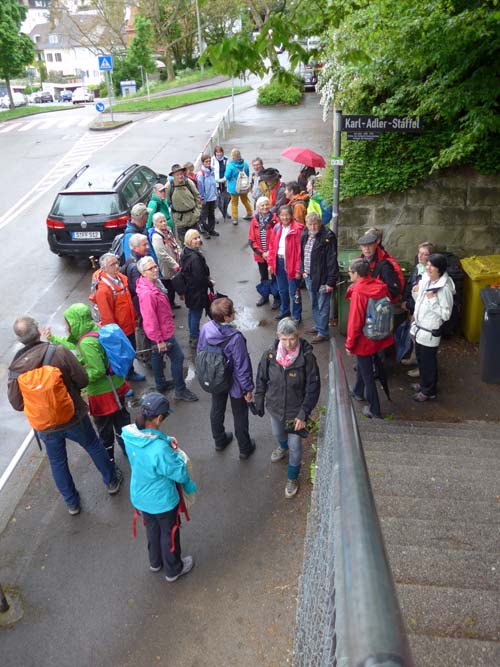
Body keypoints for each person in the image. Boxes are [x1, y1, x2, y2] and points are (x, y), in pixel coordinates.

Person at [8, 316, 122, 515]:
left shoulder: (16, 368)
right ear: (37, 331)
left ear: (20, 340)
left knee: (57, 461)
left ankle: (72, 503)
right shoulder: (58, 352)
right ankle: (112, 481)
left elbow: (17, 404)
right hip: (73, 416)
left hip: (45, 425)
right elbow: (82, 379)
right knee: (93, 446)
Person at [122, 392, 197, 582]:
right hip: (162, 500)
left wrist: (165, 438)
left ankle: (155, 562)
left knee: (152, 529)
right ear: (158, 418)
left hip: (140, 496)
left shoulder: (129, 434)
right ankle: (173, 569)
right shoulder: (159, 449)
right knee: (169, 533)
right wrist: (189, 485)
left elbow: (148, 437)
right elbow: (178, 472)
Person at [44, 303, 132, 464]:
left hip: (103, 393)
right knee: (122, 422)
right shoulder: (93, 329)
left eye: (68, 323)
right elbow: (75, 345)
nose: (66, 327)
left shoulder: (86, 343)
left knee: (105, 429)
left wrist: (76, 379)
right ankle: (130, 451)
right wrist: (54, 339)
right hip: (116, 385)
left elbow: (97, 370)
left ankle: (109, 459)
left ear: (76, 322)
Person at [254, 318, 320, 498]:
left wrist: (303, 414)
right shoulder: (270, 355)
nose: (289, 344)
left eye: (292, 338)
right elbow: (261, 378)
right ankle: (282, 448)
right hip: (275, 408)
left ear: (298, 335)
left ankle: (292, 477)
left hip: (295, 413)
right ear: (278, 336)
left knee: (295, 446)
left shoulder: (307, 358)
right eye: (284, 339)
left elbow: (313, 388)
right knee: (278, 434)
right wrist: (259, 398)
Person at [197, 298, 256, 459]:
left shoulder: (206, 328)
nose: (234, 313)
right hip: (235, 382)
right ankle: (244, 448)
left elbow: (200, 351)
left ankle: (219, 440)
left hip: (216, 377)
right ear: (227, 317)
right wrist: (247, 388)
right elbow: (241, 366)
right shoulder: (235, 338)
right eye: (232, 311)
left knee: (217, 408)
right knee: (239, 414)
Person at [136, 255, 198, 402]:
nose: (155, 270)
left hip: (161, 330)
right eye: (150, 269)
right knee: (178, 358)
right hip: (162, 333)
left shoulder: (153, 283)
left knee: (157, 356)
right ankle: (180, 390)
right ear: (143, 273)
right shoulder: (148, 294)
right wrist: (159, 340)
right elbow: (150, 319)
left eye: (155, 266)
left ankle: (161, 384)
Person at [344, 258, 394, 419]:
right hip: (378, 335)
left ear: (356, 274)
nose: (349, 274)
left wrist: (349, 344)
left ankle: (375, 409)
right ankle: (358, 391)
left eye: (350, 272)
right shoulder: (379, 286)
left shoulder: (359, 292)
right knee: (363, 365)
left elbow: (355, 322)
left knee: (367, 374)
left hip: (364, 340)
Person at [410, 253, 455, 402]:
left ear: (440, 269)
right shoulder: (427, 281)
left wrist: (433, 300)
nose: (428, 267)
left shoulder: (444, 289)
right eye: (427, 264)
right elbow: (421, 302)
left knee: (428, 363)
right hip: (420, 328)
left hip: (430, 332)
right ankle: (424, 384)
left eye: (432, 265)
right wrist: (416, 291)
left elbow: (446, 314)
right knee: (421, 360)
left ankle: (428, 391)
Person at [94, 252, 145, 383]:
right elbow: (107, 316)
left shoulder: (120, 279)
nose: (117, 266)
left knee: (130, 350)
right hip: (120, 330)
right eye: (112, 265)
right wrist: (115, 335)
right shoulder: (103, 290)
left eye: (117, 263)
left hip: (128, 325)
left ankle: (129, 373)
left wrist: (134, 317)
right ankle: (124, 379)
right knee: (122, 355)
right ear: (104, 268)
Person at [301, 212, 339, 343]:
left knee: (323, 306)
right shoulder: (305, 234)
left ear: (320, 223)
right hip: (309, 277)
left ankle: (323, 332)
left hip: (323, 278)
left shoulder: (328, 236)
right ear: (306, 224)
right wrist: (303, 270)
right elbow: (303, 254)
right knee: (314, 304)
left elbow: (332, 260)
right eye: (310, 224)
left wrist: (330, 282)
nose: (312, 227)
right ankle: (318, 326)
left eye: (315, 224)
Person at [400, 242, 435, 373]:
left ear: (431, 257)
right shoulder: (418, 267)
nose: (420, 256)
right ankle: (414, 358)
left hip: (423, 312)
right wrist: (405, 300)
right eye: (419, 253)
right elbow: (410, 285)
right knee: (414, 336)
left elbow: (422, 296)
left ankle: (421, 368)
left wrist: (409, 304)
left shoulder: (430, 273)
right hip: (414, 308)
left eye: (425, 254)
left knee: (421, 341)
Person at [268, 205, 304, 323]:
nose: (285, 217)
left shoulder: (298, 229)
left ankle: (296, 315)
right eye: (282, 215)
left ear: (291, 215)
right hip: (278, 261)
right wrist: (270, 264)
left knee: (294, 292)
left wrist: (298, 269)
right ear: (278, 216)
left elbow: (301, 252)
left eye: (287, 215)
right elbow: (272, 246)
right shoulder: (277, 227)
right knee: (282, 290)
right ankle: (285, 311)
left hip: (292, 264)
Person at [179, 228, 212, 348]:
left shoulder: (185, 252)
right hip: (196, 291)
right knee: (196, 314)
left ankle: (193, 335)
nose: (198, 240)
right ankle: (194, 338)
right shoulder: (195, 258)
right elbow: (200, 277)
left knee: (192, 313)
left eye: (198, 237)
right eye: (194, 238)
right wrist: (209, 282)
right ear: (189, 240)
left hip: (190, 290)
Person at [124, 233, 152, 368]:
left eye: (147, 244)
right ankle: (145, 355)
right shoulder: (136, 266)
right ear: (135, 248)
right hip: (140, 302)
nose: (147, 247)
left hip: (138, 301)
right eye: (144, 245)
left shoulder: (134, 259)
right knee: (143, 327)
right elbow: (138, 288)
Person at [247, 196, 280, 308]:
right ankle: (265, 296)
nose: (265, 207)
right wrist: (262, 253)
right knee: (263, 276)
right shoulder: (254, 220)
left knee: (275, 276)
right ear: (258, 207)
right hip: (261, 256)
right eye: (262, 205)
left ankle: (277, 297)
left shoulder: (275, 219)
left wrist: (270, 253)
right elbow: (251, 240)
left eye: (267, 204)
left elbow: (278, 237)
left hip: (273, 255)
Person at [357, 228, 404, 303]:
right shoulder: (359, 261)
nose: (366, 248)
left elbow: (395, 289)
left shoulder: (387, 263)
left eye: (370, 243)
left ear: (377, 242)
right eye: (364, 245)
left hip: (378, 302)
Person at [148, 212, 182, 308]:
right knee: (168, 287)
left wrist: (180, 252)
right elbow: (161, 254)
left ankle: (172, 303)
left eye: (164, 220)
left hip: (173, 261)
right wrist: (174, 265)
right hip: (166, 266)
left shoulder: (168, 231)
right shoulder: (157, 237)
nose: (163, 223)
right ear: (155, 224)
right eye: (160, 222)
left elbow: (175, 243)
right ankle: (168, 306)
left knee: (172, 285)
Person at [165, 164, 201, 245]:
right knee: (184, 241)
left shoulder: (189, 182)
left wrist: (198, 211)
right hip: (180, 220)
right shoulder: (169, 187)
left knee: (195, 238)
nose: (180, 176)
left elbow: (197, 196)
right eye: (177, 174)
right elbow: (168, 202)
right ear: (173, 176)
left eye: (181, 174)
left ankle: (196, 250)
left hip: (192, 216)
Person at [224, 148, 253, 225]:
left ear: (232, 156)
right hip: (243, 186)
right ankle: (249, 213)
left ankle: (235, 218)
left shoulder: (230, 165)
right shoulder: (245, 164)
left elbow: (227, 176)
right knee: (245, 200)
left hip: (234, 188)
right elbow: (247, 174)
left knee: (234, 203)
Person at [197, 153, 219, 239]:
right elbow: (200, 187)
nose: (208, 163)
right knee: (203, 216)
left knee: (211, 215)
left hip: (212, 197)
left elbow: (213, 184)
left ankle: (211, 230)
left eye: (209, 161)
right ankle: (204, 231)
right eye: (206, 161)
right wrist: (202, 198)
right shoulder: (201, 174)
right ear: (203, 162)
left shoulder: (212, 171)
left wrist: (215, 194)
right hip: (205, 199)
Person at [211, 145, 229, 220]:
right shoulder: (212, 160)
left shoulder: (226, 159)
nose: (219, 154)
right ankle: (219, 213)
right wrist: (216, 180)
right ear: (215, 153)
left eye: (220, 152)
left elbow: (228, 170)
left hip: (225, 182)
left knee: (226, 199)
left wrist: (225, 178)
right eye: (217, 152)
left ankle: (225, 211)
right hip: (216, 184)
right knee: (217, 200)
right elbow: (211, 172)